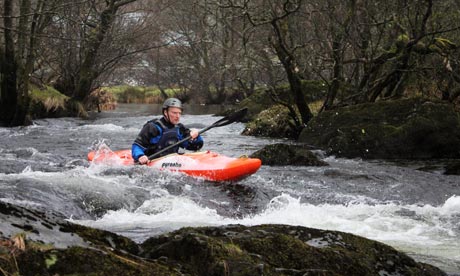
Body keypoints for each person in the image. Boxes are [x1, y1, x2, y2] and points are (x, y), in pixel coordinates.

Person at [132, 98, 204, 164]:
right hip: (153, 161)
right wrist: (140, 156)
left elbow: (195, 147)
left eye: (179, 113)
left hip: (172, 162)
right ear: (166, 113)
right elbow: (137, 146)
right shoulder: (153, 127)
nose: (178, 116)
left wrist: (196, 136)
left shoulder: (180, 129)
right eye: (174, 113)